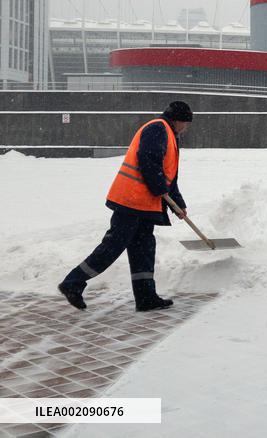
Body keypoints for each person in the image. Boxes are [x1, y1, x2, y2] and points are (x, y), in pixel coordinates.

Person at [58, 101, 194, 312]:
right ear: (179, 120)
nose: (186, 127)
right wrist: (160, 190)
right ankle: (73, 282)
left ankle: (146, 297)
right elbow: (148, 161)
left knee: (143, 249)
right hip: (131, 201)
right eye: (186, 123)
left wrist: (178, 205)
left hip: (145, 204)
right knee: (113, 246)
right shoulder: (158, 128)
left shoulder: (169, 134)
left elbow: (169, 177)